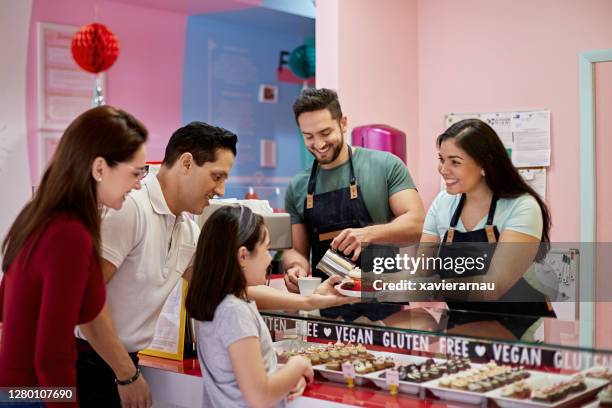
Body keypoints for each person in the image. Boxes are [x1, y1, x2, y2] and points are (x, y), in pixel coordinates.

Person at [75, 121, 350, 408]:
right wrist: (126, 375)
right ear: (186, 163)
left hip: (125, 361)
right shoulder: (130, 208)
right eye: (216, 176)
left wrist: (307, 301)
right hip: (94, 362)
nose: (220, 190)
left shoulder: (186, 229)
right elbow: (86, 304)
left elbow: (226, 289)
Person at [0, 106, 147, 397]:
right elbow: (51, 356)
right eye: (134, 173)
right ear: (100, 168)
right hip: (32, 394)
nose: (139, 183)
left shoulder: (43, 216)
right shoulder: (69, 235)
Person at [282, 88, 426, 322]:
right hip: (328, 311)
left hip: (386, 307)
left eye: (325, 132)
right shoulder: (298, 186)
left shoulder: (385, 165)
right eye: (308, 136)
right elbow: (296, 250)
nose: (318, 143)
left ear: (343, 123)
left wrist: (368, 234)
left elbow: (418, 224)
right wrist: (295, 268)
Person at [420, 118, 556, 339]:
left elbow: (494, 286)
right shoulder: (442, 203)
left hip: (522, 331)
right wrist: (369, 282)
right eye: (441, 159)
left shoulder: (522, 207)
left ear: (485, 163)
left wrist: (432, 287)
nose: (443, 170)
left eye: (455, 162)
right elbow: (422, 268)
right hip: (464, 326)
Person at [187, 205, 313, 408]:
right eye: (266, 249)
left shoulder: (218, 303)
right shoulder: (234, 311)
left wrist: (286, 379)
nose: (270, 258)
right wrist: (298, 365)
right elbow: (259, 396)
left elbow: (248, 378)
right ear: (243, 256)